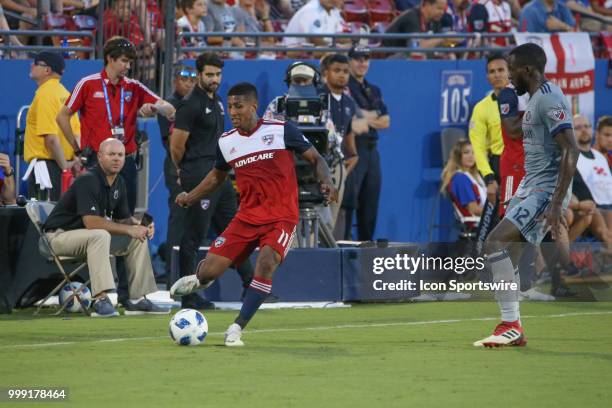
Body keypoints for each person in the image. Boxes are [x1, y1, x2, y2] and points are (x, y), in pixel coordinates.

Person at [171, 82, 337, 346]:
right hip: (246, 217)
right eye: (229, 107)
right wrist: (189, 197)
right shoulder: (227, 142)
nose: (233, 112)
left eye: (238, 106)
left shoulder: (281, 130)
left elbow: (316, 158)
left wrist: (326, 181)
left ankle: (236, 327)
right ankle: (198, 279)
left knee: (267, 262)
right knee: (210, 273)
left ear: (253, 106)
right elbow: (216, 177)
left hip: (281, 216)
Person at [474, 43, 579, 347]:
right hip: (529, 185)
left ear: (528, 70)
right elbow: (517, 131)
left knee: (494, 242)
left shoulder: (548, 99)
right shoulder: (534, 98)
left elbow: (571, 149)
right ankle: (513, 327)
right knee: (509, 254)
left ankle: (510, 324)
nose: (509, 78)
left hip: (544, 189)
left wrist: (557, 201)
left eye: (512, 69)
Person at [42, 138, 170, 317]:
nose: (116, 159)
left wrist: (139, 225)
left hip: (87, 237)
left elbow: (123, 219)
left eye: (120, 155)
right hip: (57, 238)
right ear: (100, 157)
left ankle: (137, 299)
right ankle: (100, 300)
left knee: (136, 238)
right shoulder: (88, 180)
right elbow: (91, 222)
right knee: (100, 234)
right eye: (111, 155)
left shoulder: (119, 182)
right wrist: (128, 229)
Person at [170, 53, 255, 309]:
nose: (214, 79)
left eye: (218, 75)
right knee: (193, 236)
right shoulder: (190, 104)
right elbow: (176, 146)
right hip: (199, 175)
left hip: (220, 175)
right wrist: (185, 171)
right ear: (199, 75)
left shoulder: (218, 102)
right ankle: (188, 295)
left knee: (235, 232)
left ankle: (251, 286)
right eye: (209, 75)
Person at [57, 36, 176, 214]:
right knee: (94, 214)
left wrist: (155, 107)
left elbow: (170, 110)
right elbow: (62, 116)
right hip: (96, 160)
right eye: (124, 61)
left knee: (126, 214)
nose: (128, 67)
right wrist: (76, 148)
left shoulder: (134, 87)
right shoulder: (88, 84)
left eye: (130, 62)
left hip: (125, 160)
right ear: (110, 59)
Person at [344, 45, 390, 241]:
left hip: (372, 151)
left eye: (366, 59)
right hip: (354, 148)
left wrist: (365, 118)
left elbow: (386, 121)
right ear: (349, 61)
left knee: (370, 202)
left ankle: (366, 248)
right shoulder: (345, 86)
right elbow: (352, 121)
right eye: (358, 58)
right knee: (349, 202)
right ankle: (342, 246)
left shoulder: (373, 89)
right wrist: (371, 117)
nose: (362, 63)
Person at [157, 63, 197, 279]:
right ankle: (173, 270)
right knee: (179, 215)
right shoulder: (168, 106)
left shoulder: (199, 103)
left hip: (198, 165)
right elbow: (173, 142)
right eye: (184, 79)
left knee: (196, 218)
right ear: (175, 81)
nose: (189, 84)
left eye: (192, 80)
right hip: (177, 165)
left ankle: (188, 268)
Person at [24, 51, 81, 202]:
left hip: (47, 170)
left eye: (36, 63)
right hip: (62, 169)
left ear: (47, 70)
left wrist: (64, 165)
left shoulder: (45, 95)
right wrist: (75, 160)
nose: (31, 65)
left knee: (41, 221)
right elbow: (76, 134)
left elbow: (50, 138)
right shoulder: (65, 94)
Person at [440, 140, 486, 221]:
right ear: (458, 156)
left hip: (487, 219)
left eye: (473, 153)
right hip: (479, 224)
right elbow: (474, 210)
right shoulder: (460, 179)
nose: (471, 156)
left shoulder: (476, 176)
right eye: (466, 152)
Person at [383, 0, 449, 51]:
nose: (442, 12)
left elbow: (438, 43)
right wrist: (443, 38)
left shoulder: (435, 21)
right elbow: (417, 47)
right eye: (439, 8)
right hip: (390, 58)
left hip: (409, 58)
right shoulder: (411, 17)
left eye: (443, 9)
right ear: (427, 4)